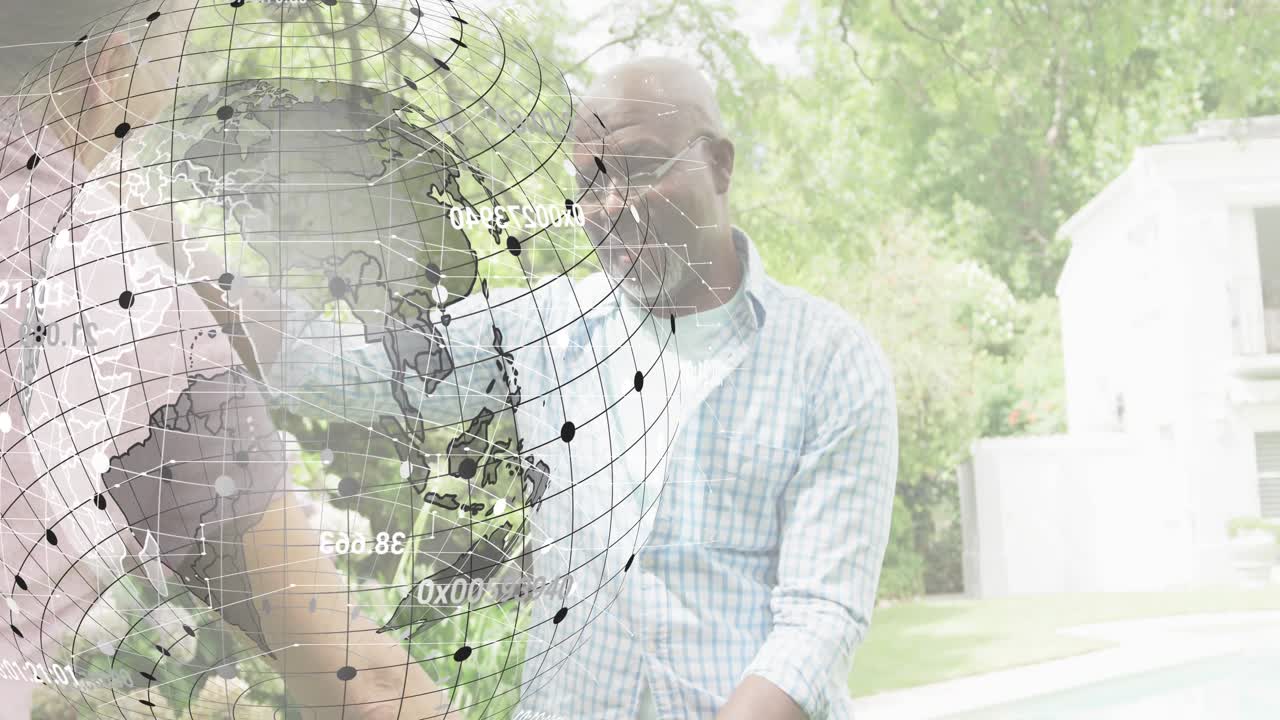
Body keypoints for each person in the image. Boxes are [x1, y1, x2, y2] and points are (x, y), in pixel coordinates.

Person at [516, 57, 900, 719]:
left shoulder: (829, 359)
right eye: (589, 182)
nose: (612, 204)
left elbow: (819, 617)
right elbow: (358, 364)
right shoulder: (542, 330)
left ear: (719, 165)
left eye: (641, 166)